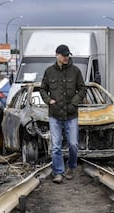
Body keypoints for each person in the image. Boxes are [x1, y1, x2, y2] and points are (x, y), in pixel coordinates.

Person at [40, 44, 87, 184]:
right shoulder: (49, 72)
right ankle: (58, 172)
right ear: (57, 55)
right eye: (64, 55)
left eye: (68, 55)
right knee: (56, 146)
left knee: (73, 144)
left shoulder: (75, 71)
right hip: (55, 114)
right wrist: (49, 101)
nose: (66, 57)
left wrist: (75, 102)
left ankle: (71, 167)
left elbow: (82, 88)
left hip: (71, 114)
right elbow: (42, 89)